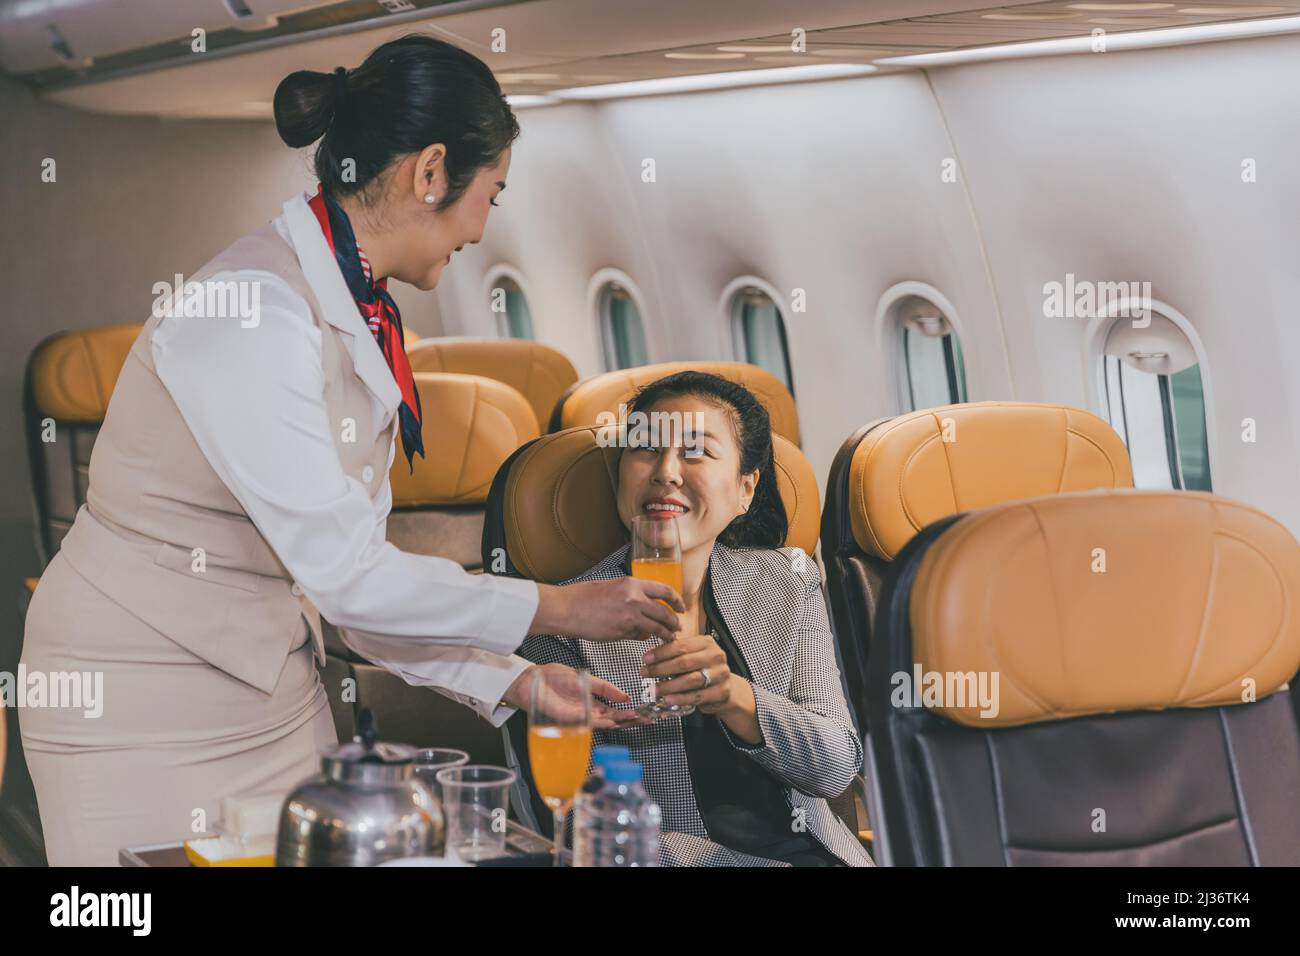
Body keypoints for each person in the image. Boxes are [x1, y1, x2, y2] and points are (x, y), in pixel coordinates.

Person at [19, 34, 682, 866]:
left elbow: (356, 587)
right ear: (431, 171)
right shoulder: (252, 312)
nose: (481, 229)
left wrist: (513, 680)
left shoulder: (360, 310)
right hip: (136, 701)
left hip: (273, 692)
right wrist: (557, 606)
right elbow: (352, 580)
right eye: (493, 195)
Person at [519, 372, 873, 866]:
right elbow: (587, 829)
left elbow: (835, 769)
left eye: (696, 452)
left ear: (745, 489)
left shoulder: (787, 581)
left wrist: (735, 698)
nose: (665, 471)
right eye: (644, 449)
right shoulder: (561, 618)